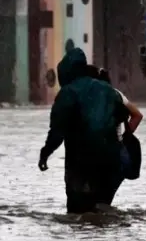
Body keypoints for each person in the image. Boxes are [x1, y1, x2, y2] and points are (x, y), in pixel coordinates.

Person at [38, 48, 130, 214]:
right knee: (102, 209)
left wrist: (45, 153)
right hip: (111, 161)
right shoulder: (107, 89)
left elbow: (57, 131)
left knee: (77, 211)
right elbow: (123, 116)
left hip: (80, 163)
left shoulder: (67, 93)